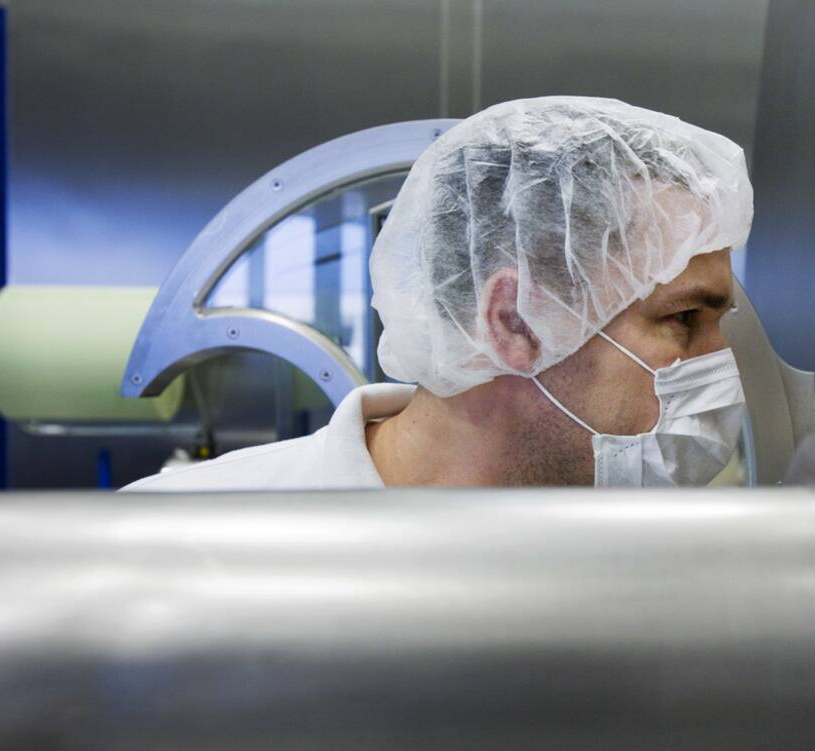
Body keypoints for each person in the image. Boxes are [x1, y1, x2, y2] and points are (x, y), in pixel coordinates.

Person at [123, 96, 753, 491]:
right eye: (684, 317)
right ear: (515, 321)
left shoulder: (673, 569)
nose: (721, 363)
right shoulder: (186, 541)